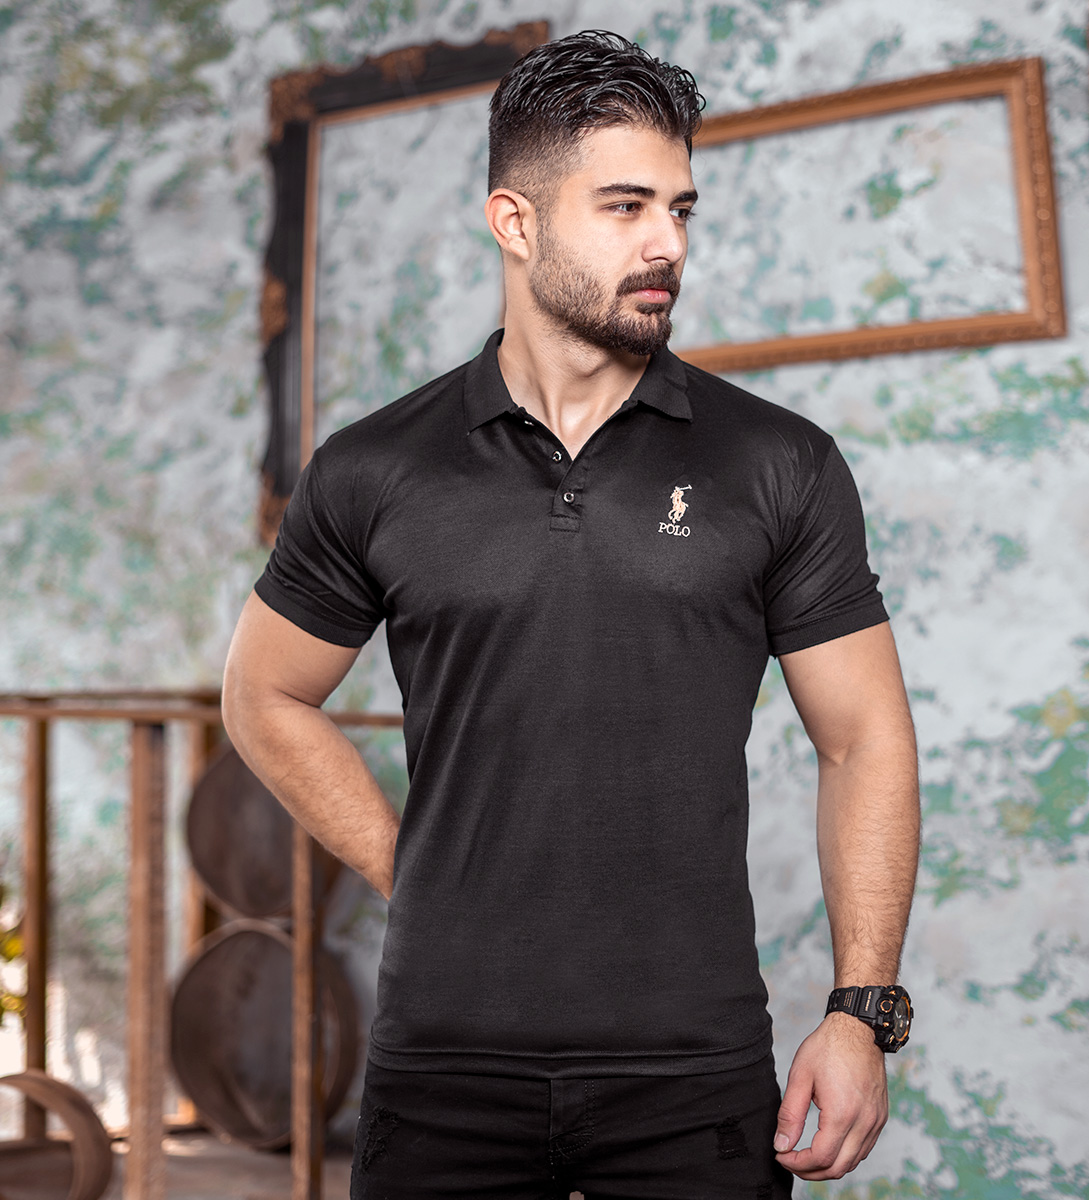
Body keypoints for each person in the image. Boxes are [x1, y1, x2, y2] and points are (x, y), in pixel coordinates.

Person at [223, 29, 920, 1199]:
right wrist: (414, 868)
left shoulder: (779, 463)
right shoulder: (374, 468)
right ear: (516, 222)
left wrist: (862, 1011)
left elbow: (865, 741)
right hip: (442, 1062)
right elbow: (263, 695)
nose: (668, 243)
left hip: (695, 1065)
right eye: (626, 206)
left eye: (680, 209)